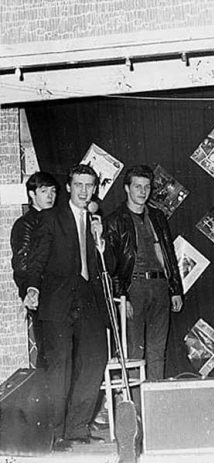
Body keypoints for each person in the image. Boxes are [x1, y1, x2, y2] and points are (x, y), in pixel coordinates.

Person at [24, 164, 108, 452]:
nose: (85, 191)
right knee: (60, 369)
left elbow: (102, 267)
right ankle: (55, 434)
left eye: (90, 186)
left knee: (96, 358)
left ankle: (77, 428)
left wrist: (101, 244)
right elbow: (36, 260)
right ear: (69, 187)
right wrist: (31, 287)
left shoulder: (96, 221)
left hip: (87, 298)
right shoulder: (50, 218)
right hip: (57, 301)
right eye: (79, 185)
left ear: (95, 189)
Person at [104, 165, 183, 381]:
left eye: (147, 187)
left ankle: (154, 402)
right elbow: (111, 265)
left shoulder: (157, 216)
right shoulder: (115, 220)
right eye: (138, 186)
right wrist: (122, 297)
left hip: (160, 287)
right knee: (133, 352)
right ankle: (135, 408)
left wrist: (175, 289)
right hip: (134, 288)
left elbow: (169, 254)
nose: (143, 191)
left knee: (158, 350)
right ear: (127, 189)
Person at [10, 171, 58, 369]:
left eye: (53, 191)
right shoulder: (25, 224)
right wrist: (30, 292)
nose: (50, 196)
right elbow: (21, 264)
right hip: (42, 295)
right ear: (32, 194)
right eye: (44, 191)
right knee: (48, 353)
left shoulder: (57, 219)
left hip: (58, 294)